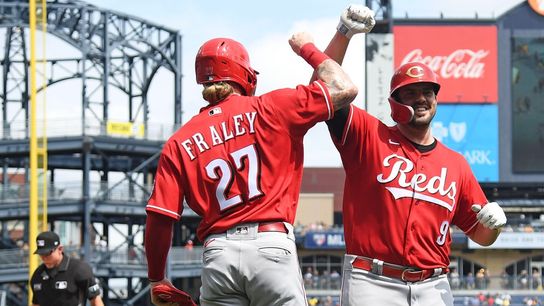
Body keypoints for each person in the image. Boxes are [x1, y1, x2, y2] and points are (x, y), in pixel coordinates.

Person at [144, 17, 372, 304]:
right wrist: (307, 48)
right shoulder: (272, 108)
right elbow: (343, 87)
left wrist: (156, 278)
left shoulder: (180, 140)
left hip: (218, 253)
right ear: (246, 76)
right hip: (270, 246)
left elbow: (160, 217)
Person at [317, 4, 507, 306]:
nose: (421, 98)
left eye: (427, 92)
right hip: (372, 280)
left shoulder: (455, 164)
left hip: (434, 285)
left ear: (436, 99)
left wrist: (494, 226)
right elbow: (324, 88)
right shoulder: (368, 135)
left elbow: (481, 236)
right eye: (410, 92)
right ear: (393, 102)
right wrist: (343, 35)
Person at [30, 231, 104, 306]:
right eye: (41, 253)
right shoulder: (37, 275)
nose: (44, 257)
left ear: (60, 249)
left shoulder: (80, 269)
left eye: (47, 253)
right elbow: (36, 304)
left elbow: (96, 300)